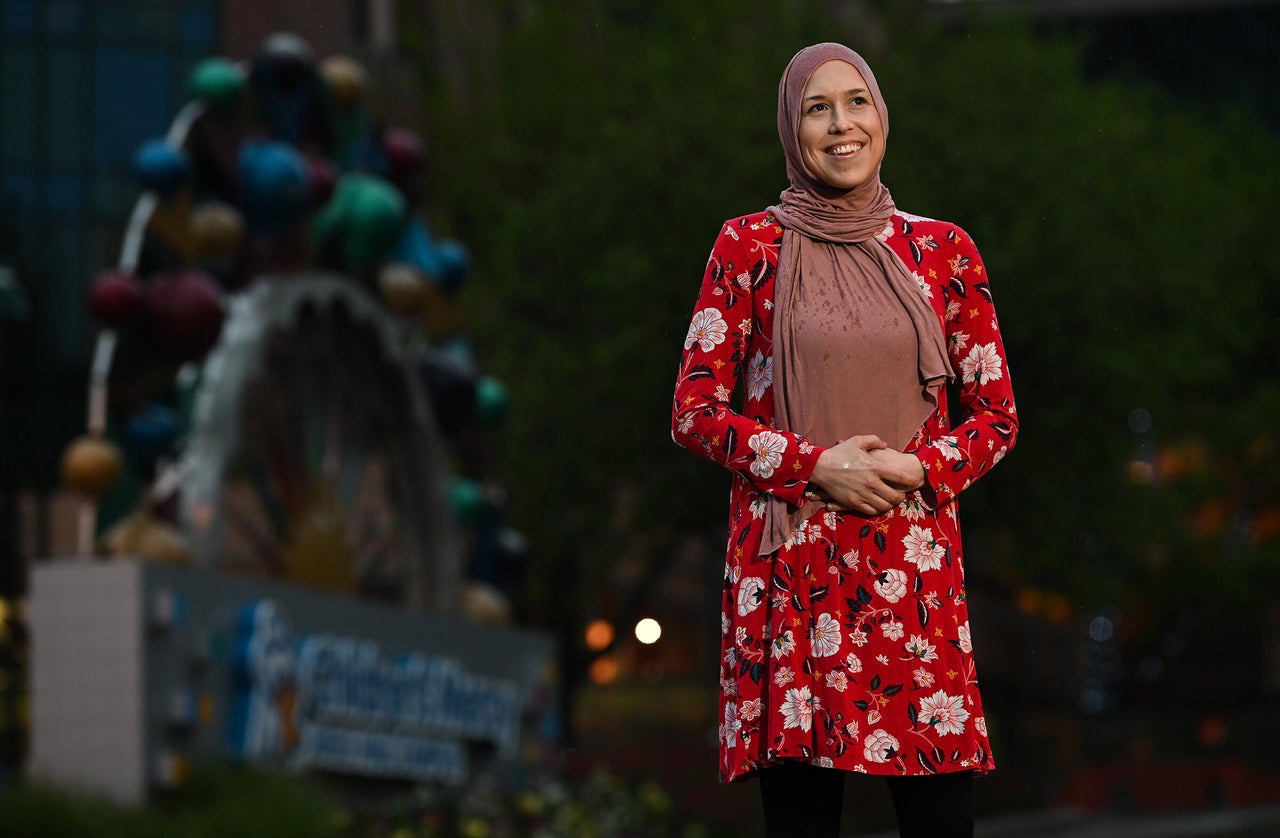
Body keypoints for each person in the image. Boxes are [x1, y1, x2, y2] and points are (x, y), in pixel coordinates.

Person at [670, 43, 1018, 837]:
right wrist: (813, 465)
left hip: (913, 574)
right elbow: (694, 409)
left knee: (940, 820)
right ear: (793, 131)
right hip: (791, 575)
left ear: (882, 117)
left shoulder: (943, 251)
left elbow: (996, 417)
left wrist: (916, 467)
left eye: (855, 101)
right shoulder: (748, 247)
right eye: (816, 108)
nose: (840, 124)